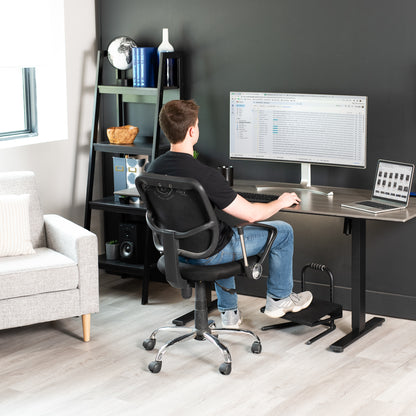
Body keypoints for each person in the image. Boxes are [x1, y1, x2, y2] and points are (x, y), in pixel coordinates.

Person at [147, 99, 313, 328]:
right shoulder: (204, 175)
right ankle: (279, 298)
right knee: (283, 231)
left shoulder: (152, 169)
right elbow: (252, 214)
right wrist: (280, 201)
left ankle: (230, 315)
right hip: (209, 253)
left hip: (174, 250)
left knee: (220, 234)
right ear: (192, 131)